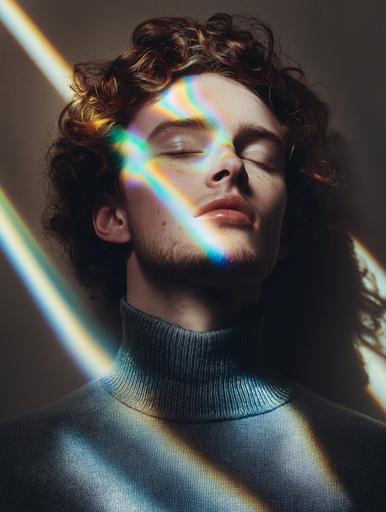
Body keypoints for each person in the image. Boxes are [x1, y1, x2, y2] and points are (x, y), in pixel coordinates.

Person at [1, 12, 385, 512]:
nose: (230, 165)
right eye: (181, 148)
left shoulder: (372, 469)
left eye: (262, 158)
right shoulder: (16, 468)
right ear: (113, 217)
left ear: (283, 232)